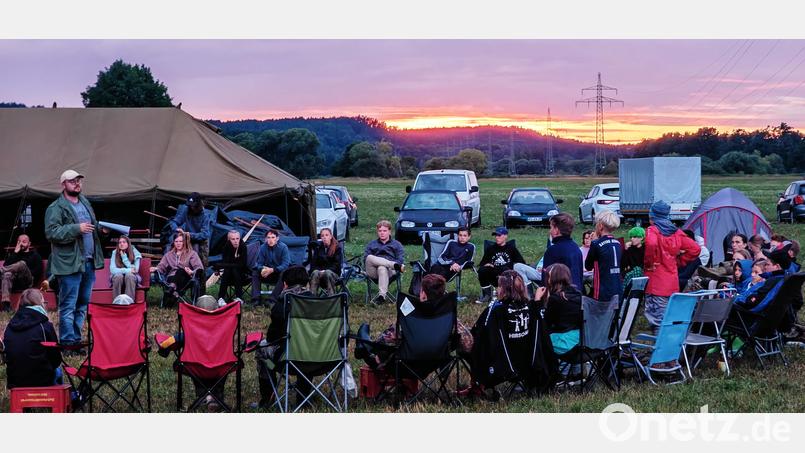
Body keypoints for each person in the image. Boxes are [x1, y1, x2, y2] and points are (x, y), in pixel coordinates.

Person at [355, 273, 473, 370]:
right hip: (436, 362)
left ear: (423, 294)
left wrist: (375, 346)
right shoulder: (448, 317)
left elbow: (387, 340)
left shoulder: (412, 315)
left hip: (406, 365)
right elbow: (468, 344)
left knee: (386, 346)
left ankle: (366, 346)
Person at [44, 169, 105, 346]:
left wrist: (102, 230)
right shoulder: (55, 208)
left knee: (82, 304)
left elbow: (91, 227)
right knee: (68, 305)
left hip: (88, 261)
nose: (77, 184)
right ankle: (67, 342)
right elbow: (51, 232)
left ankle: (76, 340)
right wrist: (76, 228)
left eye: (78, 180)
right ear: (63, 184)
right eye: (72, 181)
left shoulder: (85, 202)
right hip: (69, 263)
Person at [254, 266, 315, 409]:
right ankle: (304, 397)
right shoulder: (320, 303)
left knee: (262, 351)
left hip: (288, 360)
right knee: (307, 349)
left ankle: (268, 397)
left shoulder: (282, 303)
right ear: (306, 282)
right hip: (321, 358)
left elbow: (272, 338)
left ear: (285, 284)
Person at [157, 294, 226, 411]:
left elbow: (169, 343)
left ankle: (204, 394)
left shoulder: (190, 332)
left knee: (191, 363)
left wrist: (163, 349)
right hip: (221, 366)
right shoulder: (225, 329)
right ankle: (215, 396)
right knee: (223, 363)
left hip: (196, 366)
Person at [643, 200, 701, 329]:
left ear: (652, 216)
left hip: (655, 283)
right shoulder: (676, 232)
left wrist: (649, 263)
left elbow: (651, 244)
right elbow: (695, 249)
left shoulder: (653, 230)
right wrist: (679, 261)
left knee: (657, 320)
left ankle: (660, 342)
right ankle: (669, 341)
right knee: (668, 319)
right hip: (672, 284)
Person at [3, 288, 62, 388]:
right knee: (58, 371)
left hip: (15, 382)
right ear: (40, 303)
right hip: (42, 381)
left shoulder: (10, 326)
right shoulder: (45, 326)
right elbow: (56, 359)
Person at [535, 263, 582, 355]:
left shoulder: (555, 299)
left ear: (551, 279)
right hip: (580, 339)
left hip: (563, 342)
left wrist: (537, 301)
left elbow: (545, 324)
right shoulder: (578, 294)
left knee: (535, 337)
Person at [150, 232, 204, 305]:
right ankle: (175, 293)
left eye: (181, 241)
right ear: (174, 242)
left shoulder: (191, 253)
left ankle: (172, 289)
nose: (178, 243)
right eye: (176, 241)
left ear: (184, 242)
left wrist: (191, 272)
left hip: (186, 278)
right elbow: (161, 266)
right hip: (171, 278)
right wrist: (156, 269)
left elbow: (199, 267)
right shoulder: (168, 255)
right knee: (167, 305)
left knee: (180, 270)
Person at [362, 220, 405, 305]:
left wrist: (384, 265)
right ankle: (392, 265)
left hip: (390, 271)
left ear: (389, 231)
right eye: (380, 231)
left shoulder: (397, 244)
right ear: (377, 232)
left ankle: (381, 296)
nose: (382, 233)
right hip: (373, 271)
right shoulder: (371, 244)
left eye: (384, 231)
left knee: (382, 268)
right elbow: (365, 260)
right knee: (369, 257)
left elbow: (400, 260)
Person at [478, 227, 525, 304]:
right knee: (482, 270)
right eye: (496, 235)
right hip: (493, 275)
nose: (497, 237)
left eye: (499, 235)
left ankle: (509, 294)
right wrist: (487, 264)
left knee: (505, 268)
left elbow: (521, 262)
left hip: (508, 275)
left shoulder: (511, 248)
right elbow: (482, 264)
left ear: (505, 236)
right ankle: (487, 295)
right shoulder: (490, 249)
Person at [584, 211, 623, 303]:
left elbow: (588, 266)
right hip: (617, 288)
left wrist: (594, 241)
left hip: (602, 291)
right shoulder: (618, 243)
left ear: (600, 226)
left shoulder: (596, 244)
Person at [168, 192, 212, 267]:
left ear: (198, 205)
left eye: (194, 206)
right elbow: (174, 222)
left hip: (201, 240)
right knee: (171, 245)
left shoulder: (205, 215)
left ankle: (200, 271)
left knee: (199, 257)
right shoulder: (186, 210)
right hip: (187, 238)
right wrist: (176, 229)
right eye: (190, 206)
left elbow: (205, 234)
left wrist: (190, 234)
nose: (192, 208)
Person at [1, 234, 43, 311]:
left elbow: (38, 271)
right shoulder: (15, 255)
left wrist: (25, 270)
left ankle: (1, 270)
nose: (21, 244)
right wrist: (15, 253)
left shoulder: (35, 255)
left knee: (22, 264)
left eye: (24, 242)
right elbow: (6, 266)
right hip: (15, 282)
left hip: (28, 281)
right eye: (19, 241)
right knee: (7, 274)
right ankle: (6, 304)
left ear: (29, 244)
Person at [542, 213, 584, 291]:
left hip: (559, 295)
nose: (550, 231)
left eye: (551, 227)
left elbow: (546, 277)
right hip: (576, 293)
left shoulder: (553, 250)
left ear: (556, 230)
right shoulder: (576, 247)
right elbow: (580, 274)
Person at [252, 229, 291, 306]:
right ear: (266, 239)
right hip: (267, 273)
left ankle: (272, 299)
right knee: (255, 272)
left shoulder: (283, 247)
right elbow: (259, 264)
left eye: (273, 237)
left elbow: (285, 264)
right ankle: (256, 299)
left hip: (278, 274)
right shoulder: (263, 247)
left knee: (284, 273)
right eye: (268, 237)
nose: (270, 240)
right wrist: (263, 269)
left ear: (277, 238)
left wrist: (273, 270)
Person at [215, 230, 248, 303]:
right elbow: (226, 262)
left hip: (241, 274)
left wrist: (220, 265)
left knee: (234, 269)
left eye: (237, 238)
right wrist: (228, 264)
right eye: (233, 239)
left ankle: (239, 297)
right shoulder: (226, 246)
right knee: (228, 270)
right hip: (229, 274)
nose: (236, 241)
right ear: (229, 240)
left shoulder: (243, 246)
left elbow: (242, 265)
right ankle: (221, 298)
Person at [309, 227, 343, 296]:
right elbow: (313, 264)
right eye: (322, 236)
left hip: (333, 274)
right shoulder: (318, 248)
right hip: (319, 273)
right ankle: (312, 297)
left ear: (330, 236)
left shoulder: (337, 248)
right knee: (315, 272)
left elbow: (336, 265)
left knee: (327, 272)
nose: (324, 237)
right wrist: (320, 271)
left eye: (326, 235)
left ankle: (331, 297)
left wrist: (324, 271)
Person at [109, 235, 142, 300]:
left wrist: (124, 258)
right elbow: (112, 270)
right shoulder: (115, 252)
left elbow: (136, 270)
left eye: (124, 242)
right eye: (120, 242)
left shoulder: (135, 252)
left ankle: (129, 301)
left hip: (132, 277)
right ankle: (116, 301)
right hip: (118, 276)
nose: (121, 244)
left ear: (128, 243)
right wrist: (128, 270)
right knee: (118, 276)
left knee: (129, 276)